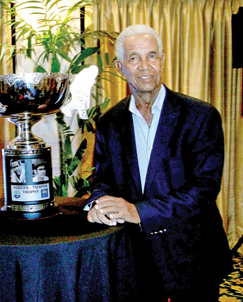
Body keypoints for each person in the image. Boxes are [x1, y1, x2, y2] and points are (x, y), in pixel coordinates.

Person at [85, 25, 232, 301]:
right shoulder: (109, 122)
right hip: (136, 259)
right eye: (134, 58)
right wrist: (99, 203)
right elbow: (103, 178)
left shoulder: (200, 116)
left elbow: (204, 189)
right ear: (120, 66)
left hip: (192, 256)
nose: (145, 66)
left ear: (162, 61)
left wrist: (137, 211)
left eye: (152, 56)